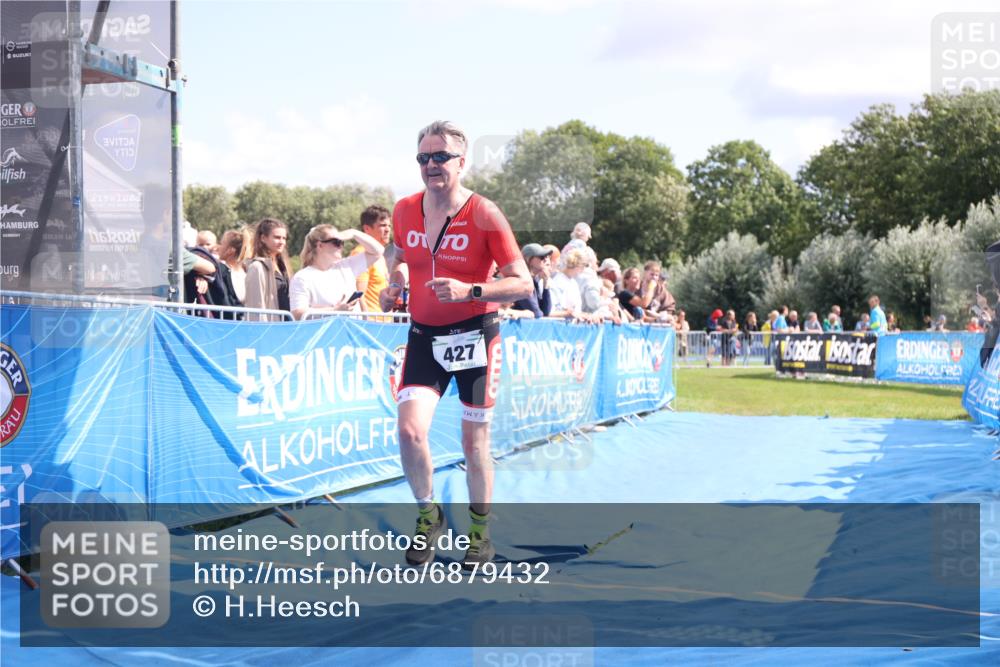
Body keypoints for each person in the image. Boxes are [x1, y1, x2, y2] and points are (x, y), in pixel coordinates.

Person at [378, 121, 531, 568]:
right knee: (409, 431)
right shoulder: (405, 209)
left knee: (473, 444)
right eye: (423, 157)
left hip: (475, 337)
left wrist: (472, 291)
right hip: (423, 337)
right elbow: (400, 255)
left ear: (462, 163)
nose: (431, 165)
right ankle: (429, 515)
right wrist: (396, 282)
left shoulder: (484, 213)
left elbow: (522, 283)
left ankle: (480, 533)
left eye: (440, 156)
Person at [290, 225, 384, 320]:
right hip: (325, 333)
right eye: (336, 242)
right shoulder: (302, 277)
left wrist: (354, 233)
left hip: (352, 331)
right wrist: (335, 310)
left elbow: (378, 251)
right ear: (320, 245)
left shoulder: (347, 266)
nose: (341, 246)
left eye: (342, 242)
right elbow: (298, 313)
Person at [244, 218, 292, 321]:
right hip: (269, 328)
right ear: (263, 238)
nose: (282, 242)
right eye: (277, 237)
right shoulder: (257, 267)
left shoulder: (283, 266)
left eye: (284, 238)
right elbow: (256, 305)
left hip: (286, 325)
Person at [351, 205, 393, 313]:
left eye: (389, 225)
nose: (388, 229)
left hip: (383, 322)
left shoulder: (380, 256)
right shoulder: (360, 253)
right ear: (367, 229)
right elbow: (359, 295)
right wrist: (367, 322)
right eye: (383, 225)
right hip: (370, 324)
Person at [512, 243, 553, 319]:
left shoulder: (533, 281)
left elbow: (546, 311)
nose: (545, 259)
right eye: (542, 257)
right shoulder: (522, 282)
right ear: (529, 260)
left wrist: (546, 284)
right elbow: (536, 313)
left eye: (546, 256)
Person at [549, 248, 589, 320]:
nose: (584, 270)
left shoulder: (573, 282)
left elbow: (576, 310)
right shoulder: (558, 281)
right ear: (578, 265)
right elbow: (559, 309)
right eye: (584, 266)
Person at [217, 227, 252, 306]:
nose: (218, 247)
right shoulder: (247, 271)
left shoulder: (222, 270)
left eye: (222, 244)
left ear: (230, 250)